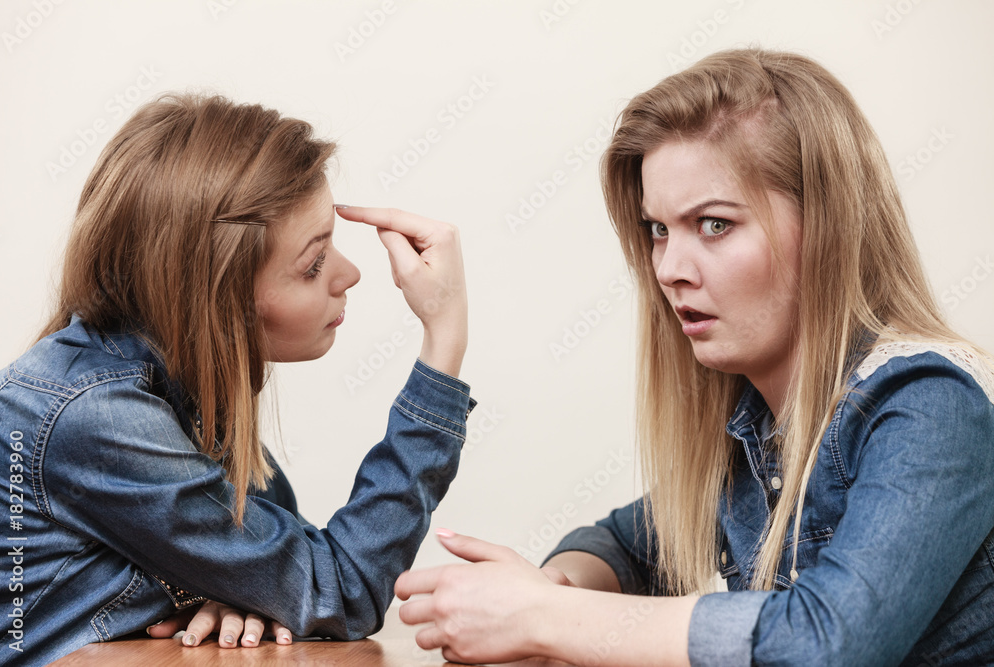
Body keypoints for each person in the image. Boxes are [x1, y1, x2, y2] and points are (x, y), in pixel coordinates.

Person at [392, 48, 994, 665]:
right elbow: (624, 545)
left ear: (828, 227)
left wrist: (549, 618)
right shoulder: (758, 430)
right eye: (658, 229)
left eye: (713, 225)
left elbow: (827, 642)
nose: (670, 271)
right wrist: (549, 590)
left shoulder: (933, 406)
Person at [0, 93, 474, 665]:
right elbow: (340, 588)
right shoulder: (95, 416)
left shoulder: (178, 392)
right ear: (216, 296)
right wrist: (444, 340)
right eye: (314, 262)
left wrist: (239, 593)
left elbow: (293, 580)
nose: (350, 274)